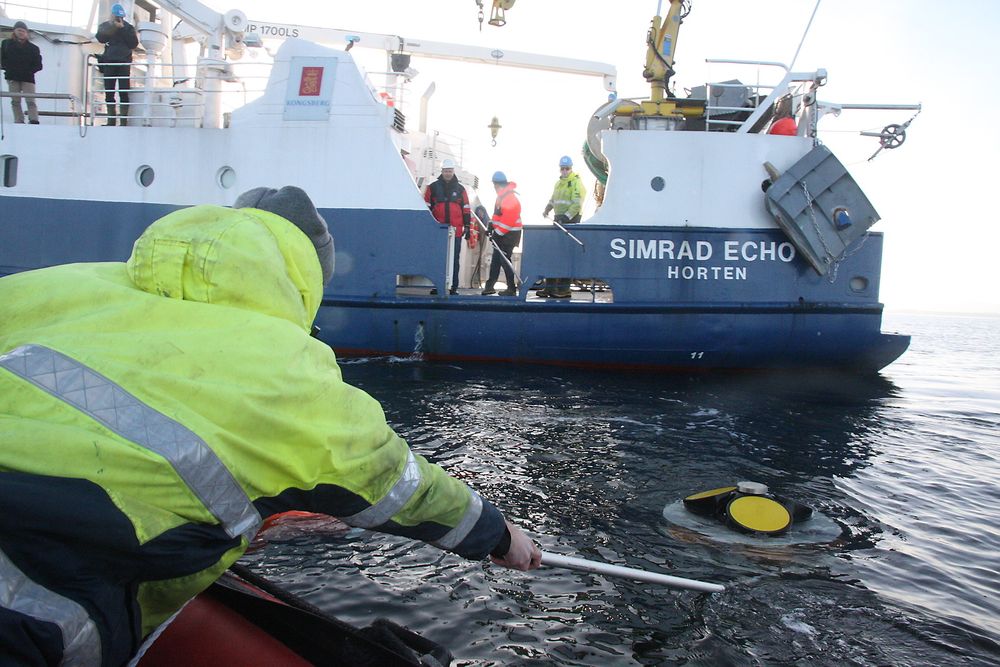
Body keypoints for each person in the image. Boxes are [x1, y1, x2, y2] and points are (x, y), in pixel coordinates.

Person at [0, 185, 541, 665]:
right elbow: (398, 484)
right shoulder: (291, 373)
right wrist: (499, 536)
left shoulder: (55, 283)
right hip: (30, 612)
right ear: (305, 277)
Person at [540, 155, 586, 298]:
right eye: (562, 168)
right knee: (554, 254)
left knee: (566, 255)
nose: (564, 171)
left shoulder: (576, 182)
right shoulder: (558, 183)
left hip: (570, 222)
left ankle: (564, 289)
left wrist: (566, 217)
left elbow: (577, 204)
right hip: (558, 220)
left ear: (571, 168)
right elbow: (554, 199)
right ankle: (550, 287)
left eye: (567, 168)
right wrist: (548, 208)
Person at [424, 158, 472, 295]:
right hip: (438, 230)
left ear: (453, 171)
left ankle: (453, 287)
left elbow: (466, 208)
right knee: (439, 259)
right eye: (446, 171)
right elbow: (427, 207)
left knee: (454, 259)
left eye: (450, 171)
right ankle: (438, 286)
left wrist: (467, 226)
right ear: (442, 171)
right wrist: (428, 226)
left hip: (456, 230)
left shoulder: (461, 189)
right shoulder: (432, 188)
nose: (448, 173)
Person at [95, 3, 138, 126]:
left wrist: (122, 29)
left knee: (123, 91)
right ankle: (111, 120)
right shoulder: (106, 26)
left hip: (123, 63)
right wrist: (113, 27)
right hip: (109, 63)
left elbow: (133, 44)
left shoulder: (128, 28)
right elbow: (101, 38)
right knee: (109, 92)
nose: (119, 19)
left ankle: (123, 121)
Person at [481, 171, 522, 296]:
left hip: (510, 234)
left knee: (504, 260)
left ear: (498, 185)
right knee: (496, 260)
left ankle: (511, 288)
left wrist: (497, 233)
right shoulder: (501, 197)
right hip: (503, 233)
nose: (494, 187)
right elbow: (498, 216)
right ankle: (490, 286)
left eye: (495, 185)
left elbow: (509, 220)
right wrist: (491, 225)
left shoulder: (509, 198)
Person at [0, 20, 43, 125]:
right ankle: (19, 120)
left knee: (31, 100)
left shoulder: (33, 48)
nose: (21, 32)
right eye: (19, 30)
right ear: (14, 31)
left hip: (27, 78)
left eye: (23, 31)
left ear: (26, 33)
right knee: (15, 101)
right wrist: (8, 68)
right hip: (12, 77)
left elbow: (38, 65)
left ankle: (33, 120)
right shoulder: (6, 44)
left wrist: (28, 71)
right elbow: (2, 59)